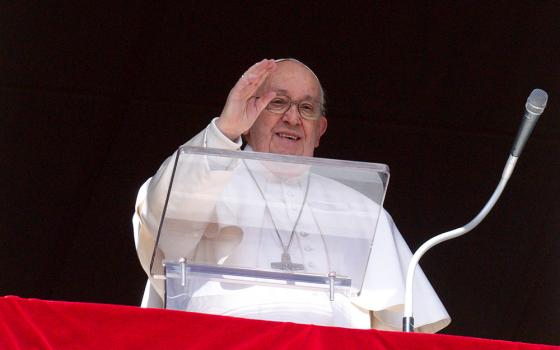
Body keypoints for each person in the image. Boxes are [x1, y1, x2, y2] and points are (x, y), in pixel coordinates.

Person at [133, 58, 450, 332]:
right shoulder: (205, 176)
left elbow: (405, 328)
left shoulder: (362, 212)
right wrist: (224, 130)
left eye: (307, 108)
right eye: (277, 102)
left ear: (320, 129)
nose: (293, 118)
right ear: (248, 116)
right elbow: (162, 216)